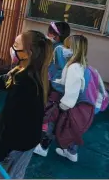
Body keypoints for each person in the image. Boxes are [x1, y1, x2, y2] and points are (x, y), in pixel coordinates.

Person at [0, 31, 53, 179]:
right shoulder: (33, 73)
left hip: (15, 143)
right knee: (16, 174)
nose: (12, 48)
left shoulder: (23, 83)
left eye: (15, 45)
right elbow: (7, 79)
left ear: (28, 53)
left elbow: (12, 121)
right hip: (29, 140)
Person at [37, 35, 108, 163]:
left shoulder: (73, 67)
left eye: (66, 46)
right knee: (73, 129)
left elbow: (71, 93)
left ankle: (43, 147)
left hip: (76, 105)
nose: (63, 48)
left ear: (73, 49)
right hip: (86, 107)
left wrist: (61, 106)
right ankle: (71, 152)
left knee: (53, 120)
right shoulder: (83, 65)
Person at [34, 21, 70, 157]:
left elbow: (62, 68)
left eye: (50, 33)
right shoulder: (59, 47)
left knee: (49, 116)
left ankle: (43, 146)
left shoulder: (58, 49)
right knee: (48, 113)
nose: (47, 35)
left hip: (56, 89)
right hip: (54, 88)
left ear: (56, 36)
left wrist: (51, 79)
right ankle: (41, 141)